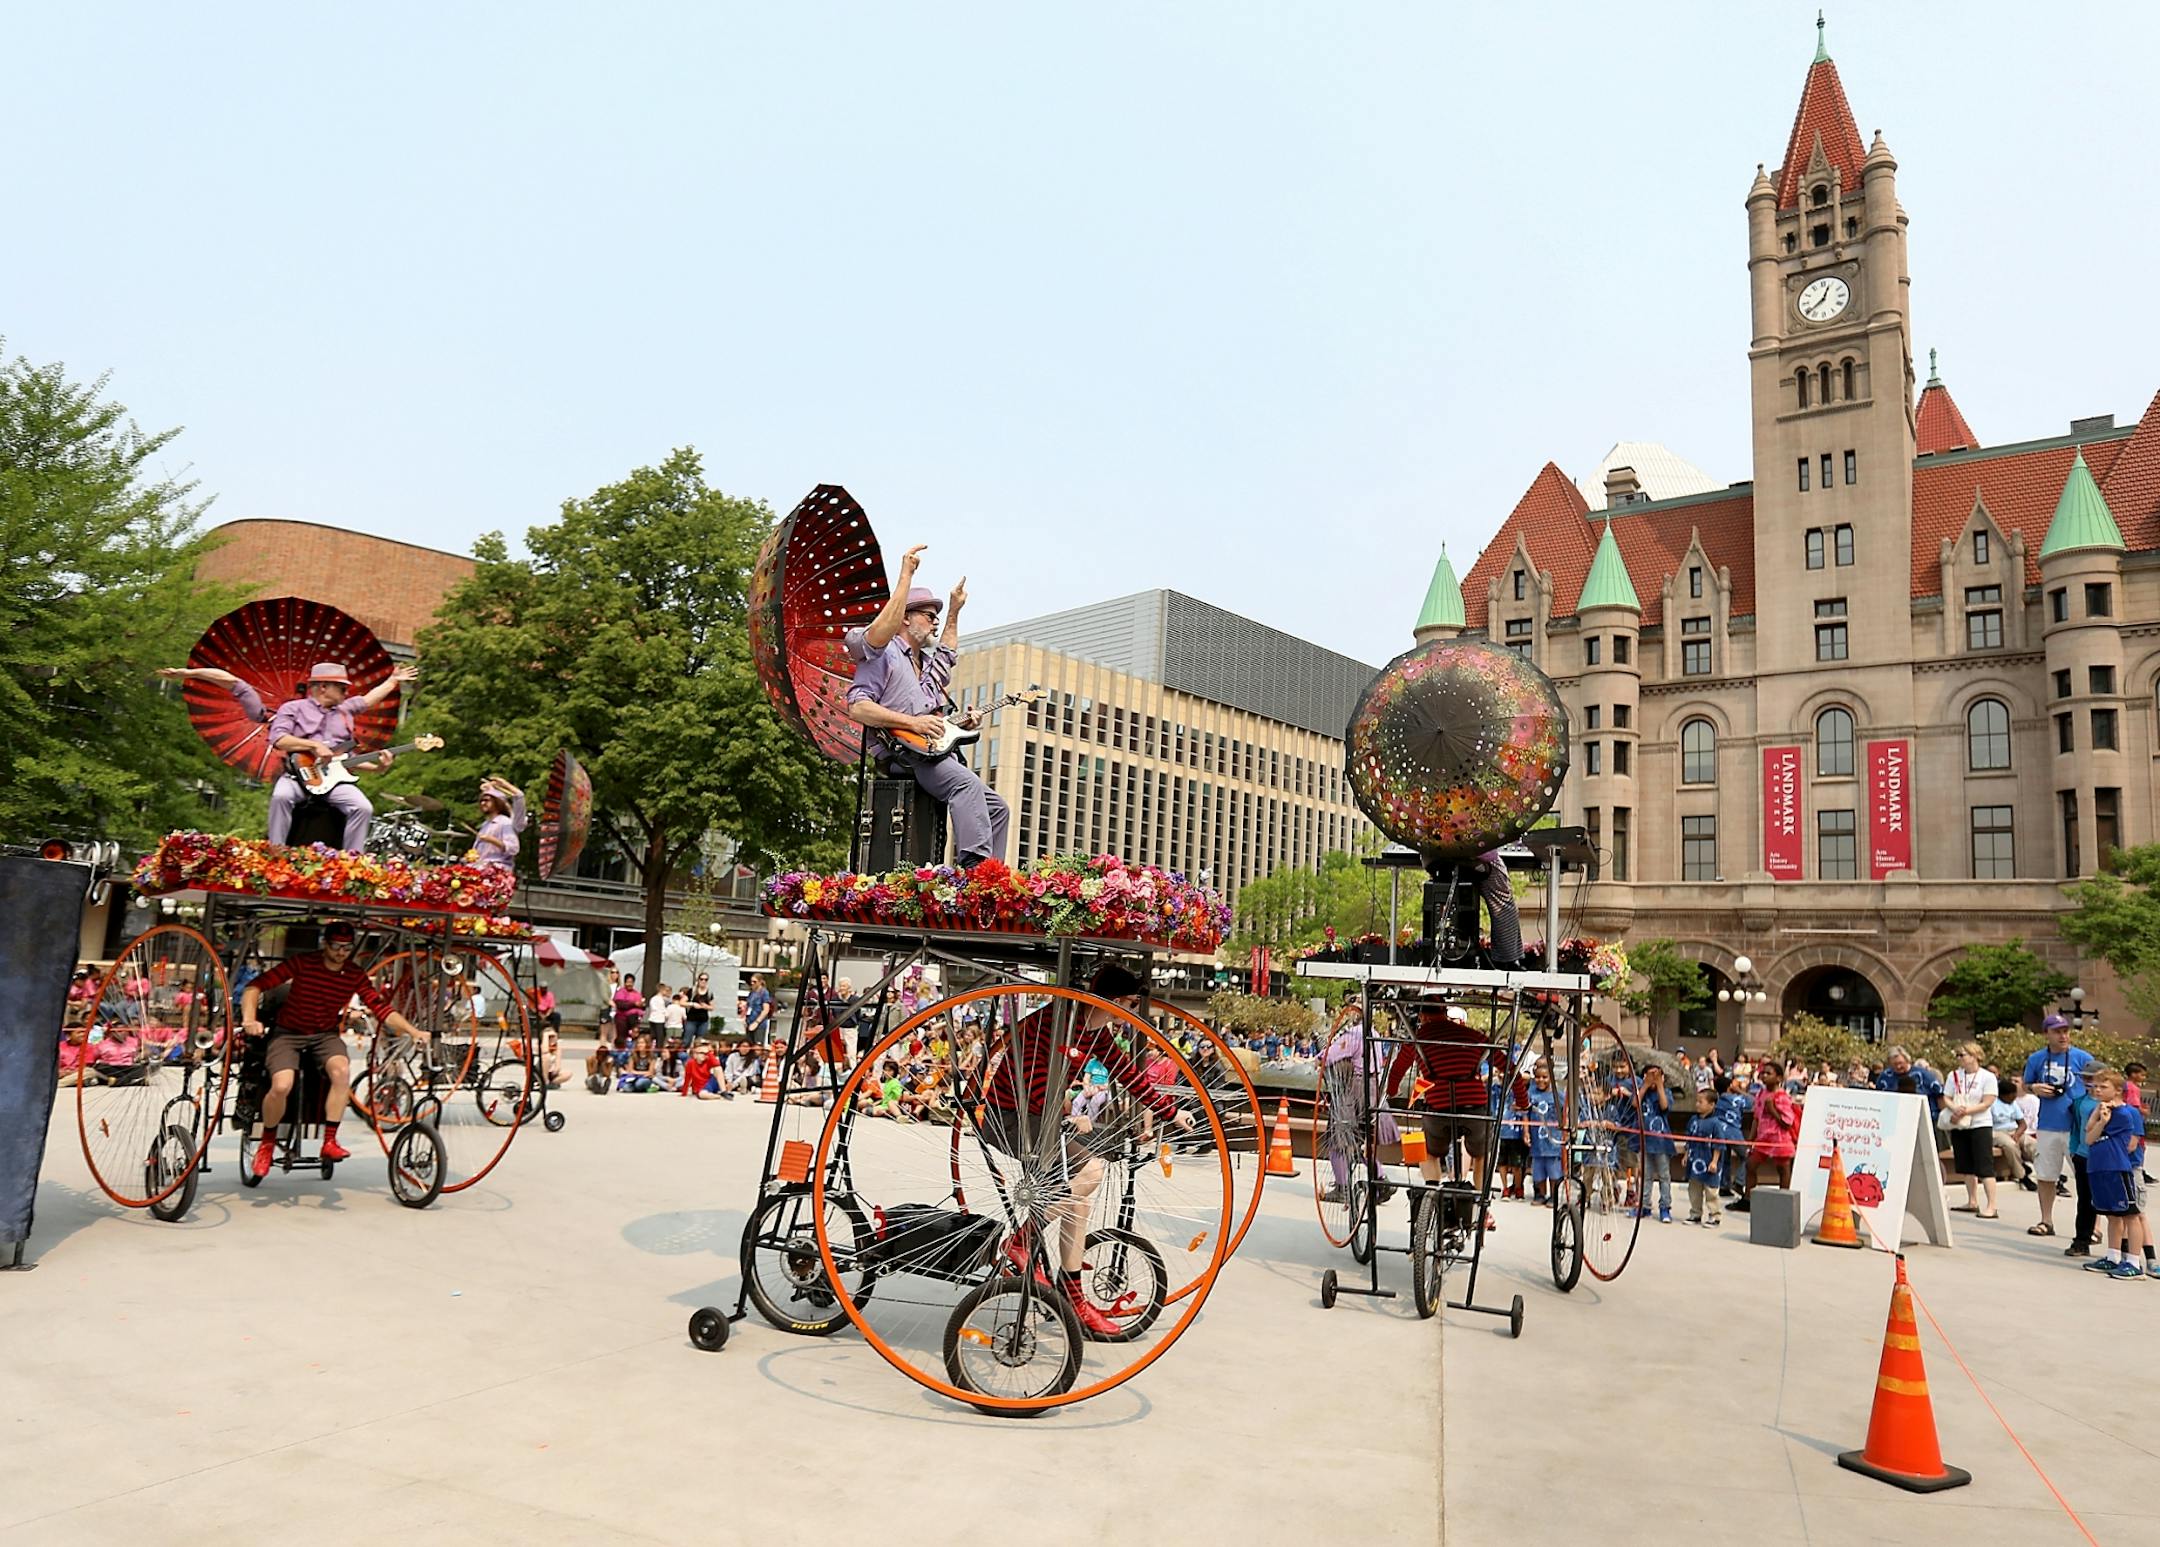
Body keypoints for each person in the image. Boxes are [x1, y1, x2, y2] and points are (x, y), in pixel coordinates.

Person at [981, 962, 1192, 1339]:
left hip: (1039, 1121)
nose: (1131, 1014)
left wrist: (1171, 1112)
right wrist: (1068, 1112)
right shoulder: (1059, 1020)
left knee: (1078, 1202)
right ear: (1112, 1001)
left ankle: (1072, 1294)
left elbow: (1129, 1076)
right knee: (1091, 1170)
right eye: (1128, 1003)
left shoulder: (1097, 1033)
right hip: (1012, 1117)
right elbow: (1033, 1073)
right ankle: (1021, 1240)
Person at [842, 544, 1008, 867]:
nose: (935, 623)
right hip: (903, 755)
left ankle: (992, 876)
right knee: (966, 785)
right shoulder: (882, 653)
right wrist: (913, 723)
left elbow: (946, 655)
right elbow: (858, 708)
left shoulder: (925, 665)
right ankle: (974, 870)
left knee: (998, 807)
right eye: (929, 616)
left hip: (929, 752)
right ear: (905, 618)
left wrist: (955, 612)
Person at [238, 921, 428, 1178]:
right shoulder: (303, 963)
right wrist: (250, 1019)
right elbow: (254, 986)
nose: (341, 952)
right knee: (282, 1085)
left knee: (341, 1072)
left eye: (347, 947)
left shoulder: (354, 974)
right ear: (325, 944)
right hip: (288, 1033)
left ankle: (330, 1140)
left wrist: (413, 1031)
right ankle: (267, 1142)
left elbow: (381, 1009)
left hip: (324, 1035)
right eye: (337, 946)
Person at [163, 661, 417, 850]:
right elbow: (279, 739)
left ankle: (353, 859)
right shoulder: (293, 709)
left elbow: (369, 701)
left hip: (333, 780)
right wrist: (313, 746)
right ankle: (277, 851)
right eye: (341, 688)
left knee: (362, 806)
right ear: (323, 687)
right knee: (281, 796)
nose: (346, 693)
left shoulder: (346, 710)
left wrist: (394, 680)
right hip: (296, 775)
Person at [2022, 1014, 2097, 1239]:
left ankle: (2094, 1227)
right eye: (2057, 1031)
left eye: (2065, 1031)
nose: (2063, 1035)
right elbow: (2026, 1085)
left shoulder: (2082, 1057)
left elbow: (2099, 1085)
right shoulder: (2036, 1059)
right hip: (2048, 1125)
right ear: (2047, 1034)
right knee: (2046, 1175)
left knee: (2088, 1178)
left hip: (2078, 1127)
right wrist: (2034, 1088)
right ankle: (2046, 1220)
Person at [2081, 1068, 2148, 1279]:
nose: (2098, 1090)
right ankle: (2112, 1256)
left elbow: (2130, 1143)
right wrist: (2100, 1119)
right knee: (2111, 1215)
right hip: (2097, 1167)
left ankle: (2134, 1262)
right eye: (2096, 1086)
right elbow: (2089, 1138)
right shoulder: (2100, 1110)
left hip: (2117, 1168)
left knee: (2130, 1214)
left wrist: (2107, 1119)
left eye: (2103, 1086)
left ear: (2118, 1090)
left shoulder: (2128, 1112)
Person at [1942, 1042, 2001, 1219]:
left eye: (1963, 1055)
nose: (1960, 1058)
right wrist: (1955, 1109)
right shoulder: (1954, 1076)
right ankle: (1972, 1200)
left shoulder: (1987, 1077)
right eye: (1958, 1055)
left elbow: (1988, 1101)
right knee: (1965, 1164)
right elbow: (1946, 1097)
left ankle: (1992, 1205)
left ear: (1975, 1056)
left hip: (1980, 1123)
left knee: (1984, 1164)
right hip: (1960, 1124)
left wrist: (1967, 1110)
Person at [1737, 1058, 1798, 1212]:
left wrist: (1773, 1110)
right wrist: (1751, 1138)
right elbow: (1756, 1117)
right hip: (1763, 1138)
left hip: (1779, 1139)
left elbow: (1787, 1122)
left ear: (1778, 1078)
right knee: (1751, 1165)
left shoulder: (1782, 1096)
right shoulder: (1761, 1093)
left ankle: (1784, 1202)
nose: (1764, 1076)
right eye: (1763, 1073)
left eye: (1768, 1073)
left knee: (1783, 1169)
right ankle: (1748, 1198)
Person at [1682, 1086, 1734, 1227]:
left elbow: (1719, 1145)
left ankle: (1714, 1216)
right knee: (1694, 1190)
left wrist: (1714, 1161)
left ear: (1712, 1105)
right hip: (1694, 1161)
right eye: (1697, 1101)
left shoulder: (1716, 1123)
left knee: (1711, 1191)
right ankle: (1695, 1214)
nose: (1697, 1104)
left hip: (1709, 1161)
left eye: (1701, 1102)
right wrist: (1686, 1155)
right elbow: (1689, 1139)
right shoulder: (1693, 1120)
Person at [1524, 1056, 1564, 1206]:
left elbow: (1566, 1115)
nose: (1541, 1080)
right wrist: (1526, 1132)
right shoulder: (1531, 1094)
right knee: (1538, 1169)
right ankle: (1540, 1194)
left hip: (1553, 1140)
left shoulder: (1559, 1095)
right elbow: (1525, 1113)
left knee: (1554, 1170)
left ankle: (1554, 1196)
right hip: (1536, 1140)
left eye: (1544, 1077)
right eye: (1538, 1077)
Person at [1639, 1062, 1676, 1223]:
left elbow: (1664, 1105)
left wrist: (1660, 1085)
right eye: (1650, 1075)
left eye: (1657, 1075)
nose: (1653, 1079)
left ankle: (1665, 1207)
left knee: (1664, 1176)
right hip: (1645, 1141)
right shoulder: (1642, 1092)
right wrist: (1645, 1085)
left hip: (1662, 1141)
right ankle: (1645, 1205)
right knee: (1646, 1175)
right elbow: (1635, 1104)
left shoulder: (1666, 1091)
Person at [470, 777, 526, 869]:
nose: (483, 803)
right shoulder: (485, 824)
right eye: (481, 801)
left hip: (497, 871)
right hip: (480, 868)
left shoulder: (505, 822)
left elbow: (513, 849)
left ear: (497, 802)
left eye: (487, 800)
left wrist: (493, 840)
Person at [611, 974, 643, 1047]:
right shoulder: (621, 992)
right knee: (621, 1039)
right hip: (622, 1019)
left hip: (634, 1020)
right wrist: (634, 1004)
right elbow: (620, 1005)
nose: (629, 984)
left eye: (631, 982)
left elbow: (641, 1005)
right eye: (628, 982)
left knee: (634, 1037)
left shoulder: (637, 993)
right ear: (625, 982)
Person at [744, 974, 773, 1043]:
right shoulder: (752, 993)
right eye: (751, 981)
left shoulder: (764, 993)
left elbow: (766, 1010)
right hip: (749, 1021)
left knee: (757, 1044)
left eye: (755, 982)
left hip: (759, 1024)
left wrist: (757, 1022)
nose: (752, 983)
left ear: (760, 982)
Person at [686, 973, 714, 1043]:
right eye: (701, 979)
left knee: (699, 1041)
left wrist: (705, 1006)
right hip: (692, 1020)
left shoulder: (709, 993)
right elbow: (682, 1002)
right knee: (687, 1040)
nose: (703, 981)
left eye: (706, 979)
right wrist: (693, 1004)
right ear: (698, 980)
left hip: (703, 1021)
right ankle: (684, 1053)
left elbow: (712, 1007)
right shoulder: (692, 991)